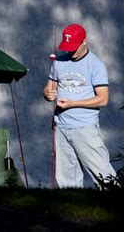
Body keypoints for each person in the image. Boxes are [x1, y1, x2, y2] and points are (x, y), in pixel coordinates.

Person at [43, 23, 116, 188]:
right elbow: (48, 88)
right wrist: (47, 93)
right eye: (68, 47)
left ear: (84, 41)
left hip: (85, 128)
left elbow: (103, 99)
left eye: (74, 46)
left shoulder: (95, 65)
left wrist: (73, 104)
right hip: (61, 127)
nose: (71, 51)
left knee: (102, 173)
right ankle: (70, 209)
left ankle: (116, 206)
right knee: (66, 179)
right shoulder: (59, 62)